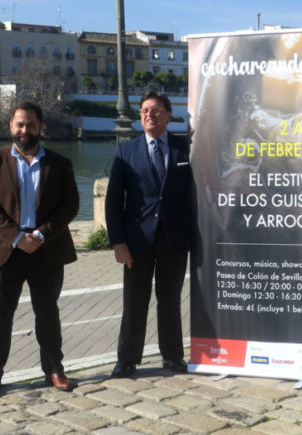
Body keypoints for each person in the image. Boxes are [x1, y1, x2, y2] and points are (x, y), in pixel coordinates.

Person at [0, 101, 79, 399]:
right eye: (19, 124)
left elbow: (70, 206)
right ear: (11, 126)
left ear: (41, 127)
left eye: (31, 124)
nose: (25, 130)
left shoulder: (59, 164)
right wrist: (16, 237)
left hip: (47, 249)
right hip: (5, 250)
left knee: (47, 312)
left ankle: (54, 369)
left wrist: (42, 235)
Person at [106, 90, 194, 377]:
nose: (149, 115)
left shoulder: (185, 148)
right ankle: (127, 359)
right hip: (137, 241)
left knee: (170, 299)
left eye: (156, 110)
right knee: (134, 301)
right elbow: (113, 200)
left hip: (174, 239)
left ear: (168, 116)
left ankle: (172, 356)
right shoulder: (126, 150)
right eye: (145, 110)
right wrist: (118, 242)